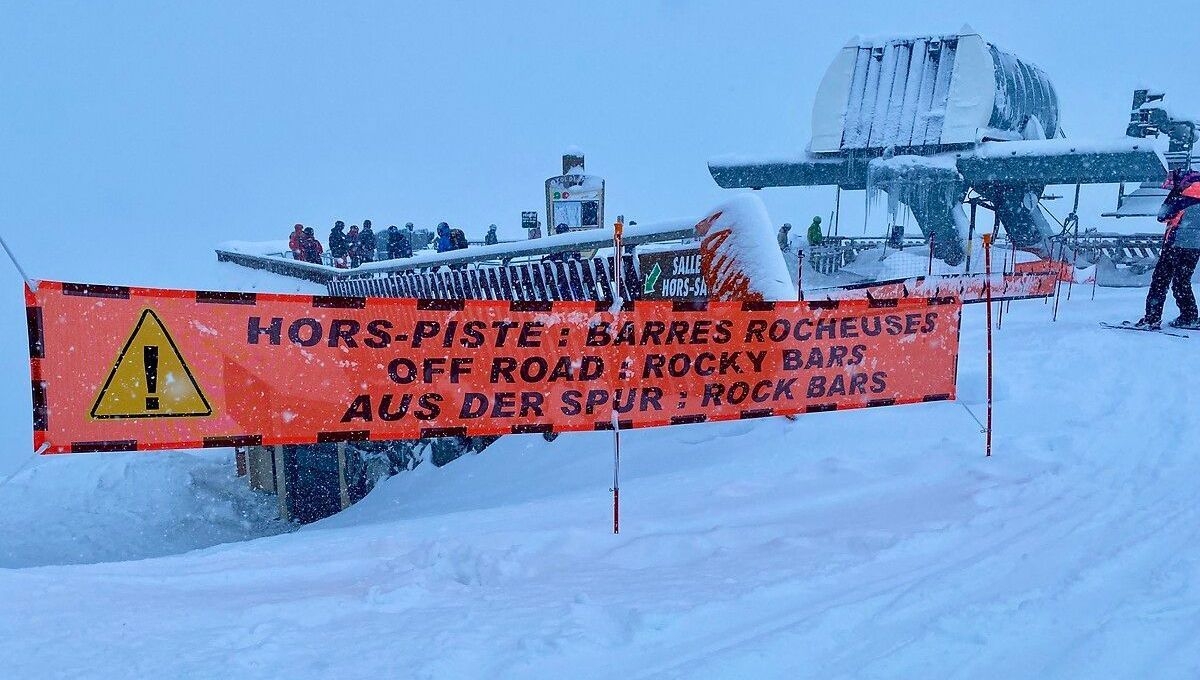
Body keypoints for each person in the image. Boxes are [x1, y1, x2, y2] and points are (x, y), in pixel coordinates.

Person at [1136, 169, 1200, 330]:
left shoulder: (1180, 196)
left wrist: (1172, 194)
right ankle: (1189, 316)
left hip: (1175, 244)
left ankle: (1152, 318)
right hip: (1195, 247)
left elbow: (1162, 216)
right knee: (1181, 281)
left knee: (1160, 281)